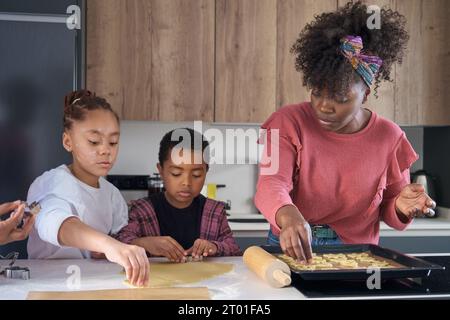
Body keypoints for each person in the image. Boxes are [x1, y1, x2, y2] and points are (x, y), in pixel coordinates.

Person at [254, 1, 436, 263]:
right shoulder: (287, 122)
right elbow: (271, 184)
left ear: (365, 94)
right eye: (317, 93)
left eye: (340, 97)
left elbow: (390, 209)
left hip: (357, 255)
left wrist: (400, 206)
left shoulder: (390, 138)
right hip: (292, 245)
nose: (324, 106)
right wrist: (289, 216)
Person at [26, 90, 149, 287]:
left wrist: (126, 246)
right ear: (68, 142)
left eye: (113, 142)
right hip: (49, 285)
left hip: (96, 283)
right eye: (94, 141)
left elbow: (119, 238)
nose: (105, 150)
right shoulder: (50, 183)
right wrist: (110, 246)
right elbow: (58, 224)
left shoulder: (112, 195)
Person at [117, 128, 240, 262]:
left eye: (196, 175)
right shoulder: (141, 210)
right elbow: (120, 242)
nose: (186, 183)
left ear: (206, 171)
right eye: (176, 173)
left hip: (206, 282)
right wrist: (146, 243)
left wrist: (214, 247)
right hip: (155, 281)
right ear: (161, 170)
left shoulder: (215, 211)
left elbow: (233, 248)